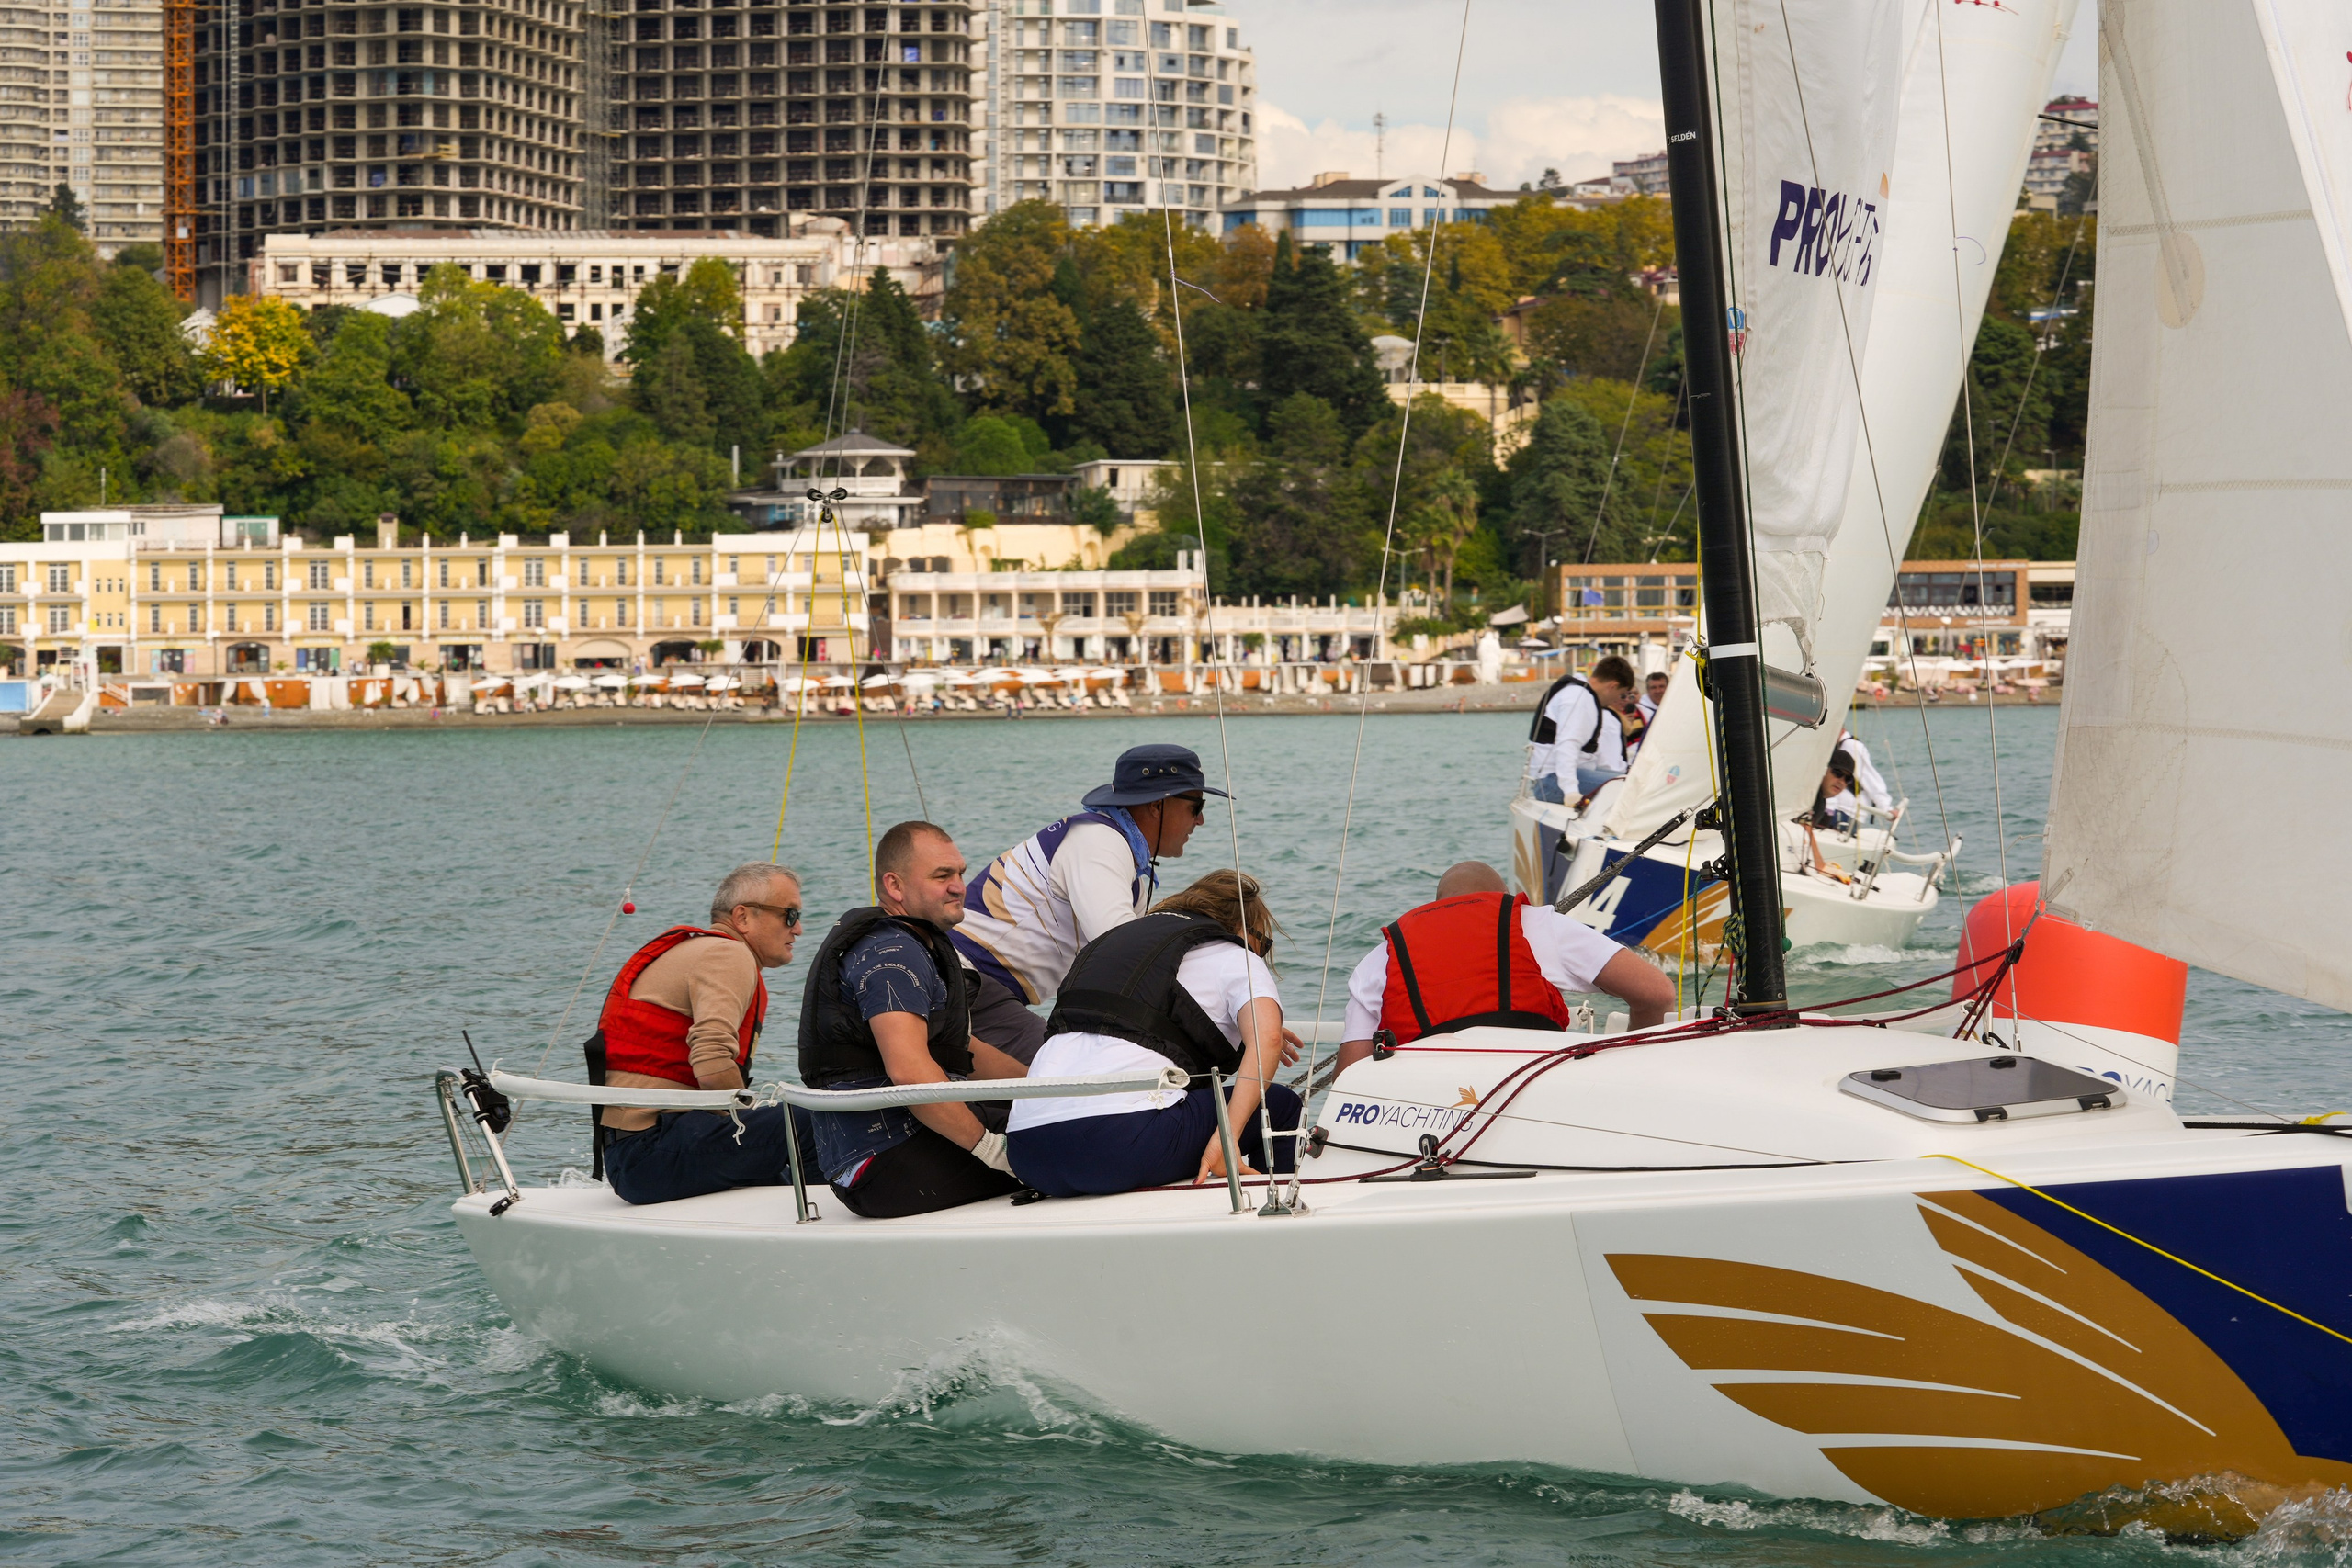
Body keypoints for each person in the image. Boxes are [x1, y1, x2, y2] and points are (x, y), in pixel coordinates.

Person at [1006, 871, 1302, 1197]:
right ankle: (1274, 1206)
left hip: (1027, 1152)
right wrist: (1226, 1139)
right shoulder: (1235, 955)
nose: (1259, 952)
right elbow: (1268, 1041)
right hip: (1115, 1145)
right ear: (1244, 930)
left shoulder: (1113, 944)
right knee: (1280, 1105)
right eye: (1263, 943)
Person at [797, 821, 1031, 1217]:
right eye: (942, 876)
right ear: (895, 886)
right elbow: (909, 1072)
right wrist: (993, 1150)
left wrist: (1046, 1087)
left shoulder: (905, 943)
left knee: (1054, 1116)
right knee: (1076, 1139)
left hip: (873, 1160)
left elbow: (962, 1051)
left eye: (960, 873)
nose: (959, 886)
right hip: (888, 1163)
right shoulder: (894, 955)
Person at [949, 742, 1224, 1062]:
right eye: (1196, 806)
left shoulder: (1121, 860)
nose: (1200, 820)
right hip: (965, 981)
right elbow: (1127, 955)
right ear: (1156, 805)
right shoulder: (1098, 843)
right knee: (1070, 1066)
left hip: (985, 992)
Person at [590, 863, 806, 1205]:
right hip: (650, 1152)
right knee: (815, 1120)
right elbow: (712, 1063)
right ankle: (837, 1217)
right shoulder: (728, 954)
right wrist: (750, 1117)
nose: (799, 929)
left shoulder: (698, 950)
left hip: (633, 1152)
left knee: (782, 1144)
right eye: (789, 915)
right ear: (742, 916)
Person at [1335, 862, 1677, 1071]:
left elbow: (1352, 1072)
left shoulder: (1382, 957)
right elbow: (1656, 993)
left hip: (1428, 1113)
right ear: (1503, 899)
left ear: (1434, 907)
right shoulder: (1535, 924)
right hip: (1530, 1094)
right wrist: (1635, 1067)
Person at [1525, 655, 1635, 804]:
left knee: (1631, 780)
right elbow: (1567, 744)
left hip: (1553, 778)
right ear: (1613, 686)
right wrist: (1571, 792)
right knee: (1635, 789)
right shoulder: (1581, 699)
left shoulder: (1576, 691)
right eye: (1621, 694)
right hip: (1552, 783)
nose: (1618, 699)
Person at [1838, 728, 1893, 812]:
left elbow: (1867, 776)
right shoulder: (1839, 745)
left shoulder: (1850, 746)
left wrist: (1885, 807)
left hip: (1846, 810)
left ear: (1842, 729)